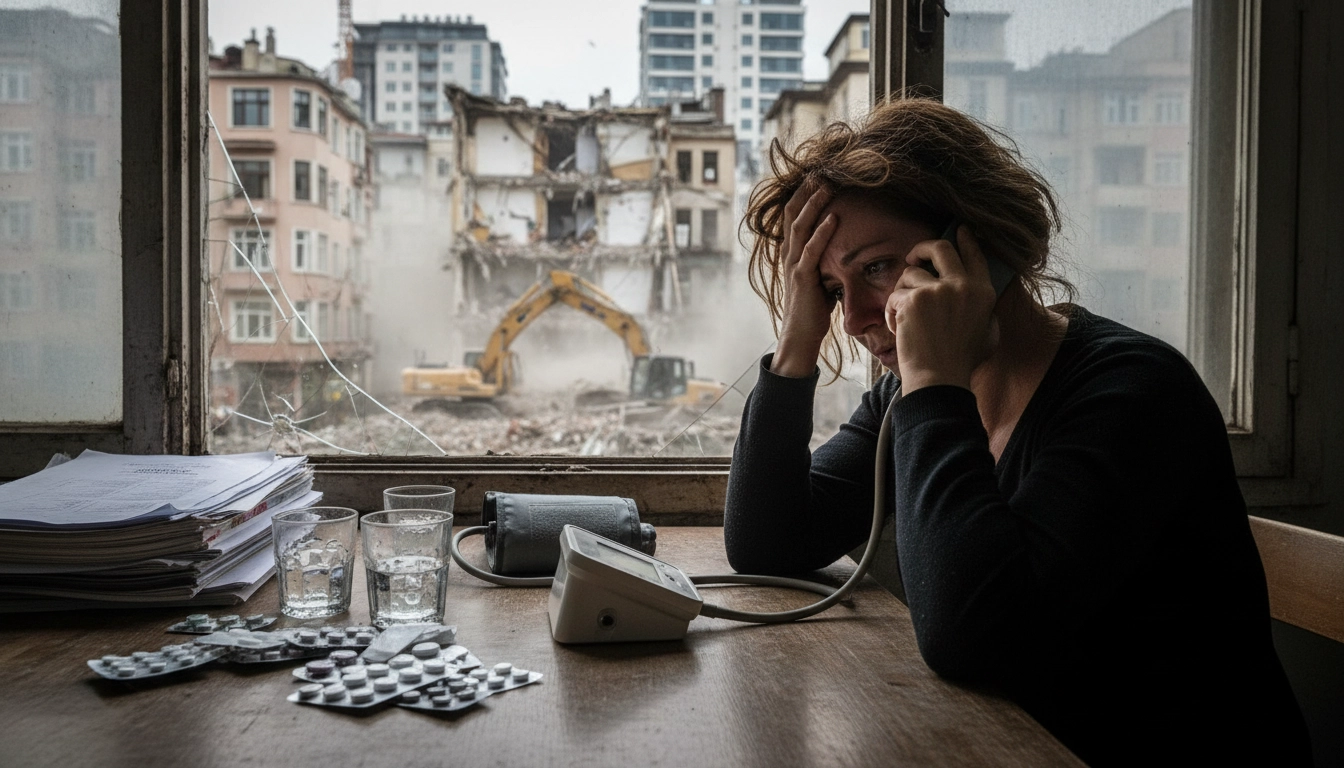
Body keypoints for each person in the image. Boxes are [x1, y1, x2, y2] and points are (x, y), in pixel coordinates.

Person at [723, 97, 1310, 766]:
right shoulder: (910, 394)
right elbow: (766, 541)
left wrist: (933, 384)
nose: (855, 317)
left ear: (979, 244)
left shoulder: (1133, 393)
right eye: (832, 288)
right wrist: (799, 335)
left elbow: (973, 637)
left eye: (877, 268)